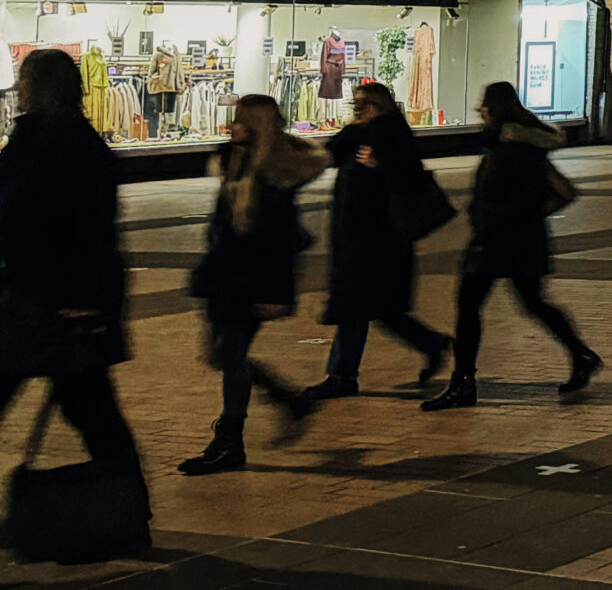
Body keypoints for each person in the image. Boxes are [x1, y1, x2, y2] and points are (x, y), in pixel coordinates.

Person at [0, 49, 143, 490]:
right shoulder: (44, 139)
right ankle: (128, 501)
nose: (18, 89)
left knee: (89, 405)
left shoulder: (63, 146)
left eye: (24, 80)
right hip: (40, 296)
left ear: (41, 87)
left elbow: (85, 229)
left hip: (50, 301)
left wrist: (83, 301)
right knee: (89, 406)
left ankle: (126, 503)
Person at [423, 83, 600, 410]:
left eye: (484, 106)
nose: (479, 111)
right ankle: (581, 354)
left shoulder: (511, 149)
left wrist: (502, 214)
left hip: (495, 242)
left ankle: (463, 384)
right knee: (532, 303)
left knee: (469, 308)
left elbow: (559, 192)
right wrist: (532, 216)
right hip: (520, 240)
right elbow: (565, 191)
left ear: (495, 110)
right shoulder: (526, 147)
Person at [179, 94, 326, 475]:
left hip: (250, 279)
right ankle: (287, 401)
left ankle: (231, 440)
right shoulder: (237, 162)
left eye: (240, 120)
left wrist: (277, 293)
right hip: (225, 274)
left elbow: (285, 240)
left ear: (257, 125)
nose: (232, 125)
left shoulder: (273, 177)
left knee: (229, 356)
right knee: (222, 355)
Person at [305, 83, 451, 401]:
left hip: (378, 236)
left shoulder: (393, 132)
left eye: (364, 103)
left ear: (379, 104)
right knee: (378, 307)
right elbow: (330, 155)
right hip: (355, 232)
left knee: (356, 306)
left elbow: (408, 176)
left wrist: (380, 165)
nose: (358, 108)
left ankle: (342, 375)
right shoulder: (361, 131)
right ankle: (431, 342)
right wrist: (356, 127)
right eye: (355, 103)